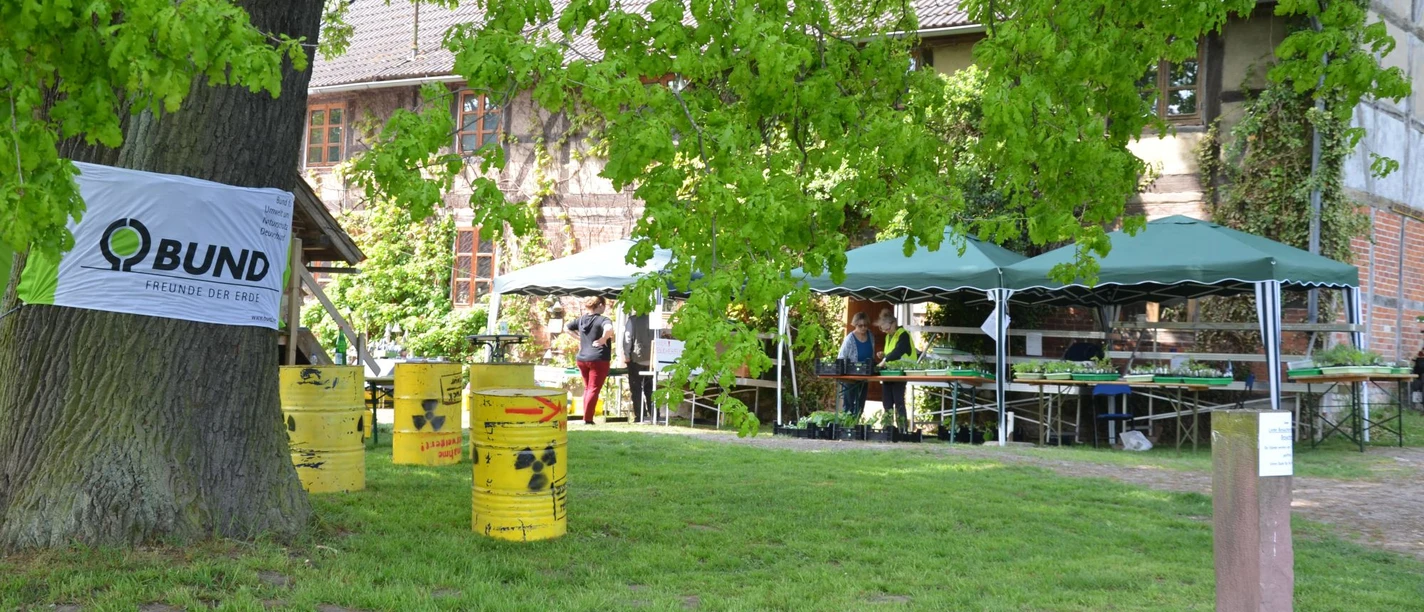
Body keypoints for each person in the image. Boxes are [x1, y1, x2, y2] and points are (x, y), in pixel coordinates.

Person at [566, 296, 615, 425]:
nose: (604, 308)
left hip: (582, 358)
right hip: (598, 359)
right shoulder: (603, 320)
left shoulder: (581, 320)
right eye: (604, 306)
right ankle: (587, 419)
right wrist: (603, 339)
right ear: (600, 305)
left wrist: (579, 338)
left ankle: (586, 417)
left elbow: (566, 328)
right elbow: (609, 329)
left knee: (588, 388)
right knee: (593, 389)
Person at [875, 308, 917, 430]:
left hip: (900, 373)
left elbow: (898, 351)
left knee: (898, 401)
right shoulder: (889, 336)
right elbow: (891, 352)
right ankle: (888, 427)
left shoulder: (903, 334)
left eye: (887, 329)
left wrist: (885, 360)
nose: (886, 331)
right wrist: (884, 355)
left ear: (893, 323)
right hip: (889, 372)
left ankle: (902, 429)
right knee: (887, 402)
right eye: (883, 330)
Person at [836, 312, 875, 419]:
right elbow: (841, 356)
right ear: (855, 324)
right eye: (860, 325)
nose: (863, 328)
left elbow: (872, 353)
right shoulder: (850, 339)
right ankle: (847, 425)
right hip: (851, 376)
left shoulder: (870, 336)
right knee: (849, 405)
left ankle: (856, 423)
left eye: (865, 325)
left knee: (860, 405)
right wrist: (843, 373)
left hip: (865, 375)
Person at [622, 311, 655, 423]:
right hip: (652, 358)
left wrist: (627, 355)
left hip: (637, 357)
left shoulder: (633, 320)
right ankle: (654, 414)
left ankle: (640, 416)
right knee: (650, 388)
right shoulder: (654, 318)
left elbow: (627, 338)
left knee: (636, 389)